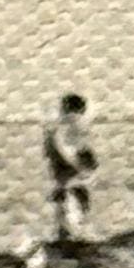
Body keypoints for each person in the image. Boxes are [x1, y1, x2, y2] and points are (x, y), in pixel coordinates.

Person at [46, 93, 96, 243]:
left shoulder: (56, 128)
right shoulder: (73, 125)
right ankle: (73, 239)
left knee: (65, 211)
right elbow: (68, 149)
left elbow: (57, 150)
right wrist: (82, 167)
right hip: (75, 177)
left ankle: (66, 240)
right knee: (75, 209)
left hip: (63, 177)